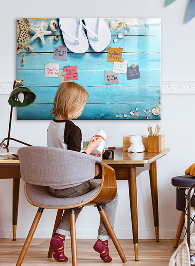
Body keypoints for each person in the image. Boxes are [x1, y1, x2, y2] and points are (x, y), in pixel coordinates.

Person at [47, 82, 117, 263]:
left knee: (77, 197)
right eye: (82, 105)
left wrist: (86, 150)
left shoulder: (52, 125)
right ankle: (103, 240)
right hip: (70, 186)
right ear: (73, 105)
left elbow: (64, 154)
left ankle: (59, 238)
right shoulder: (73, 129)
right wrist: (92, 148)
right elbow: (75, 161)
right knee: (112, 194)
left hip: (53, 186)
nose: (82, 109)